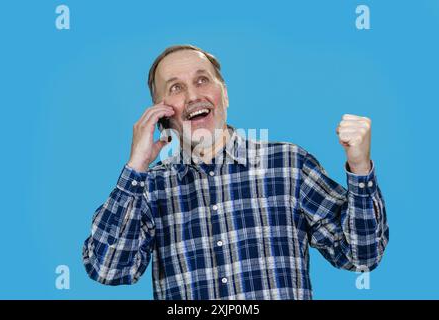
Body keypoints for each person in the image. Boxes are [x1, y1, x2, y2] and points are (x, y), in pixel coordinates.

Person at [82, 44, 389, 299]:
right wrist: (135, 168)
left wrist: (360, 168)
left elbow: (362, 256)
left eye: (202, 80)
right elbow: (108, 269)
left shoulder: (289, 165)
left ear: (223, 94)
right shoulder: (149, 190)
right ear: (161, 115)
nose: (192, 96)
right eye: (176, 88)